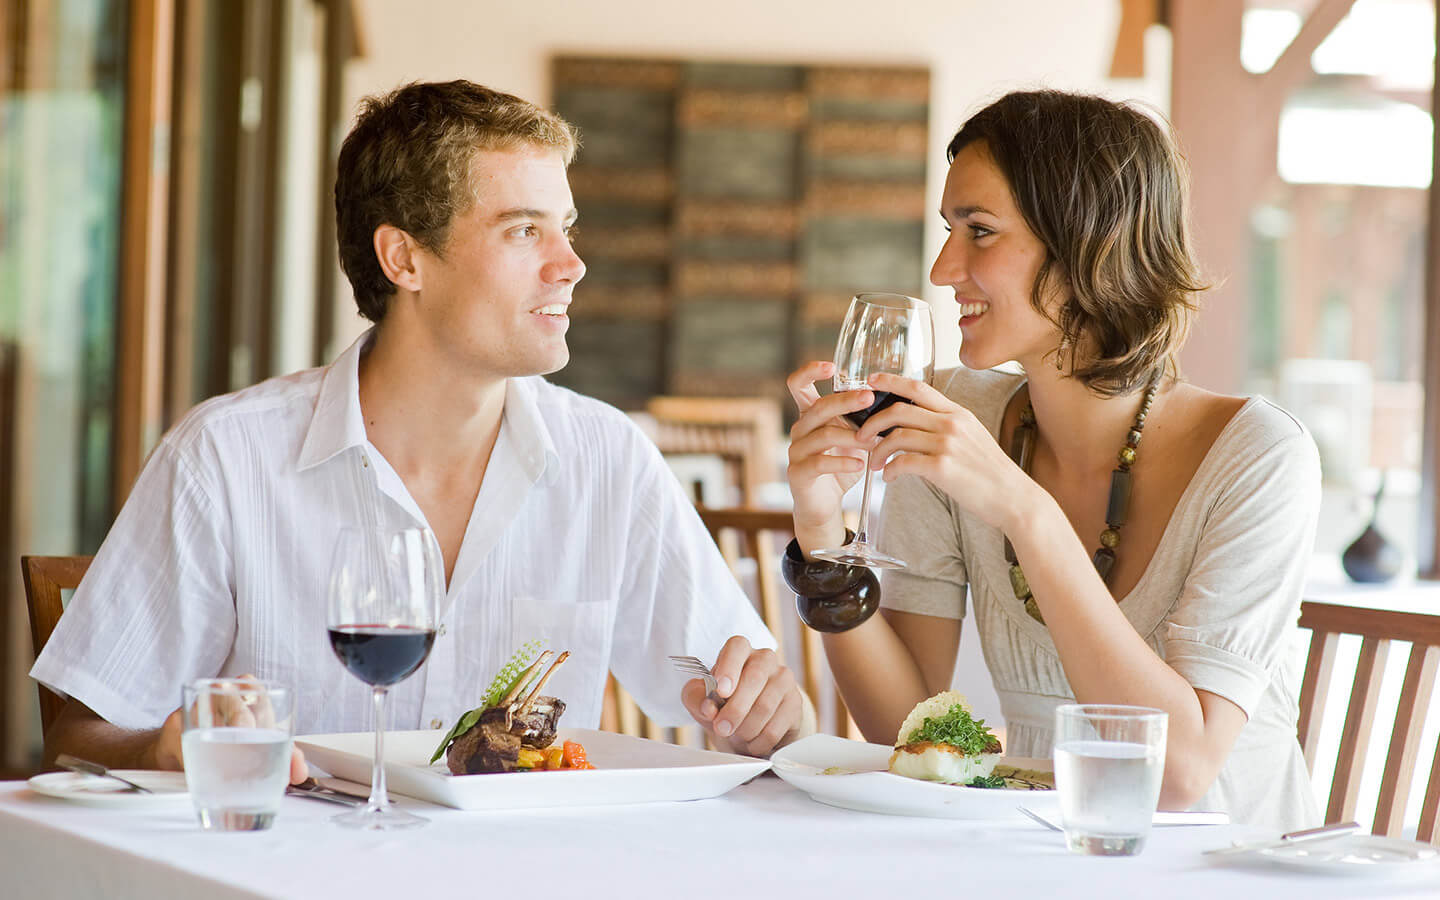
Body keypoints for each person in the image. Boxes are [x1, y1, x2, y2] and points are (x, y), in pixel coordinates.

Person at [33, 80, 812, 780]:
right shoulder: (225, 460)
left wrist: (769, 714)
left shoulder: (610, 461)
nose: (571, 263)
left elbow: (752, 704)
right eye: (522, 230)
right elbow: (77, 736)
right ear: (404, 257)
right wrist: (166, 750)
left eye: (566, 227)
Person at [784, 90, 1319, 829]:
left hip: (1219, 869)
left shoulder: (1259, 458)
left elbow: (1179, 775)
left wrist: (1023, 509)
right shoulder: (955, 419)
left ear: (1087, 243)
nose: (942, 269)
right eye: (948, 230)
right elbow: (908, 733)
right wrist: (822, 539)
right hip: (1037, 856)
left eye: (979, 231)